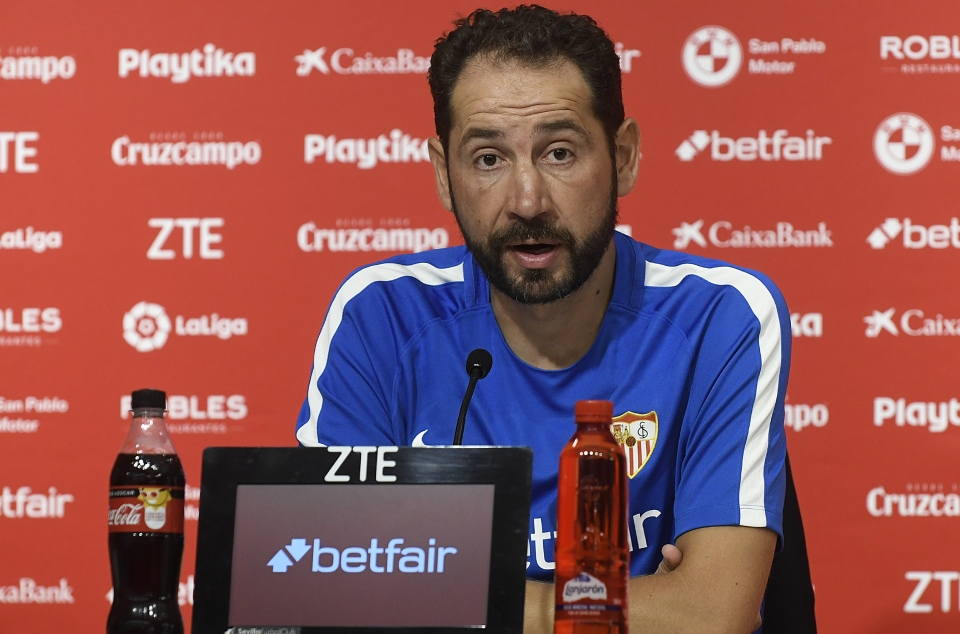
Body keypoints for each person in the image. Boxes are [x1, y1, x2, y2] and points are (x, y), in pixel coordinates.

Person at [296, 6, 790, 632]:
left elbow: (709, 616)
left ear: (624, 157)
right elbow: (328, 597)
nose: (527, 200)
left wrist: (447, 594)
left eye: (559, 153)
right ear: (444, 176)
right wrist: (632, 607)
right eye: (487, 159)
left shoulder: (721, 315)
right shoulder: (381, 316)